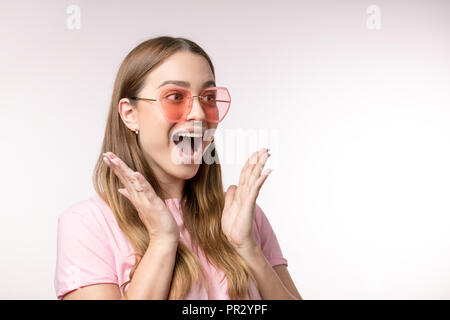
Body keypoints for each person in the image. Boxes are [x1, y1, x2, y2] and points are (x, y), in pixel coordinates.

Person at [54, 36, 302, 300]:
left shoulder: (244, 217)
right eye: (174, 96)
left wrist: (248, 248)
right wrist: (162, 240)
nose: (198, 113)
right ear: (130, 114)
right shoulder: (87, 224)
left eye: (208, 97)